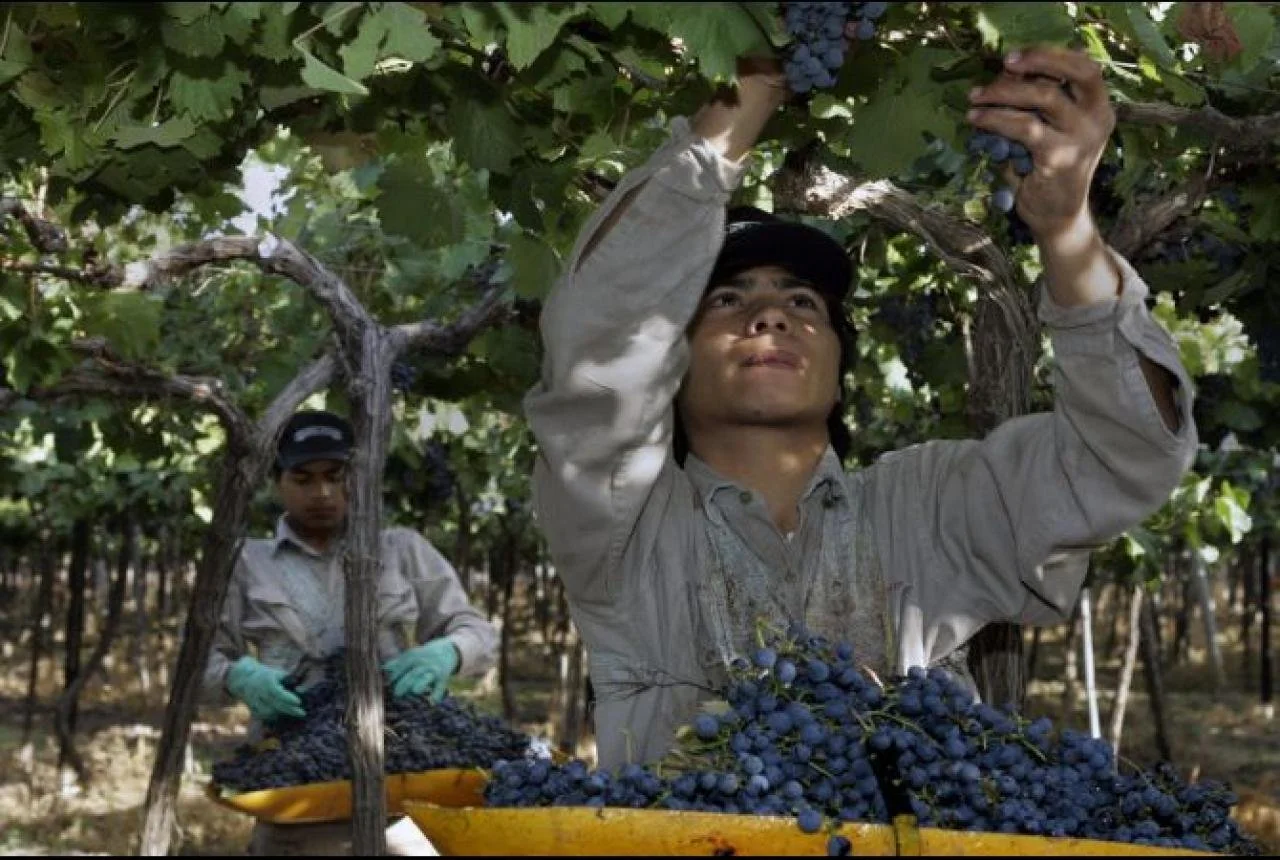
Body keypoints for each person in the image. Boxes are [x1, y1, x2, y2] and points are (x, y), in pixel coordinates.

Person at [523, 49, 1197, 771]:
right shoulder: (621, 529)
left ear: (841, 371)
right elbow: (600, 335)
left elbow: (1124, 454)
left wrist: (1067, 233)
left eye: (801, 302)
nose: (769, 317)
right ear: (669, 366)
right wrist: (751, 81)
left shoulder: (928, 507)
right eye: (727, 299)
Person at [202, 409, 497, 855]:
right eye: (302, 479)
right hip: (294, 788)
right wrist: (237, 675)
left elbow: (477, 631)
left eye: (336, 476)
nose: (322, 492)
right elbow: (199, 662)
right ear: (276, 481)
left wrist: (448, 653)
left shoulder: (404, 551)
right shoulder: (245, 563)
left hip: (401, 791)